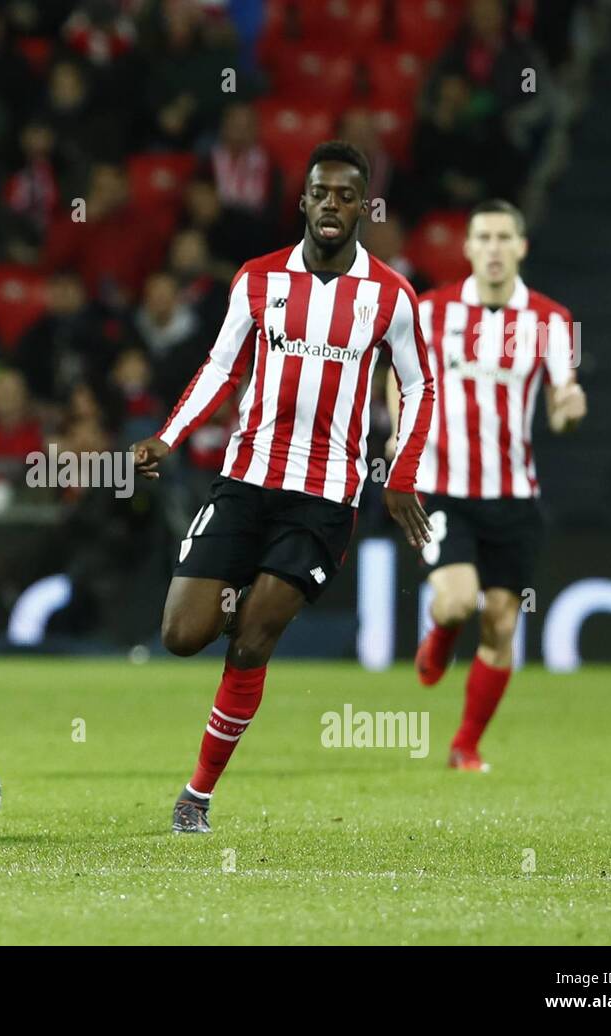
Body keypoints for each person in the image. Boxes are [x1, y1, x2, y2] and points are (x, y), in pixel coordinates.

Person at [130, 141, 435, 833]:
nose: (333, 205)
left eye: (347, 195)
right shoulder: (258, 280)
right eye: (321, 193)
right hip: (244, 479)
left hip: (325, 494)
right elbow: (221, 366)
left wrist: (402, 471)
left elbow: (420, 386)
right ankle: (248, 591)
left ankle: (196, 797)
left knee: (252, 643)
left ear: (364, 205)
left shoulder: (390, 294)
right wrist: (167, 436)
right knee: (181, 634)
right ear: (303, 200)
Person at [390, 199, 586, 771]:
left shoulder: (552, 320)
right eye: (484, 237)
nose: (495, 248)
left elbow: (561, 409)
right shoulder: (430, 312)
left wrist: (572, 408)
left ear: (522, 247)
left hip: (515, 494)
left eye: (505, 237)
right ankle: (440, 634)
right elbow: (395, 376)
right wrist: (399, 432)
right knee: (454, 603)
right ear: (468, 247)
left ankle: (465, 746)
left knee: (501, 622)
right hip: (443, 487)